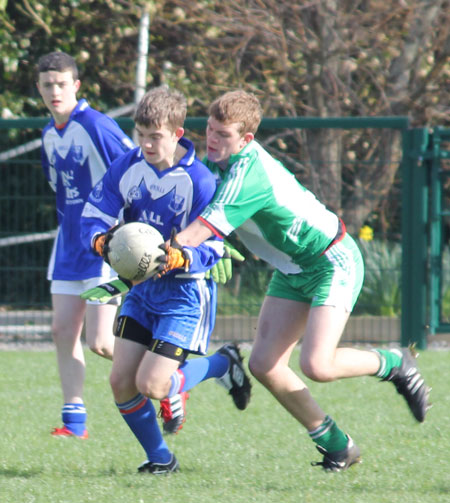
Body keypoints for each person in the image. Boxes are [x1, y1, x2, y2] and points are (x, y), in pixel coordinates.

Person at [157, 89, 431, 472]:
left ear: (247, 140)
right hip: (293, 270)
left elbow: (202, 227)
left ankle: (393, 361)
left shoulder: (247, 173)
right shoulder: (217, 162)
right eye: (210, 130)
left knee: (317, 364)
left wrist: (157, 256)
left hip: (330, 260)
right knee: (265, 365)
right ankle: (339, 446)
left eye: (224, 135)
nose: (213, 139)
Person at [80, 86, 251, 474]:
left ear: (176, 134)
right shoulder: (127, 166)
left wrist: (183, 255)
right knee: (121, 381)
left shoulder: (201, 181)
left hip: (185, 294)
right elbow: (94, 212)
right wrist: (100, 240)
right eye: (141, 135)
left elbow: (216, 243)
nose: (146, 144)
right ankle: (161, 460)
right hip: (141, 290)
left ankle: (221, 364)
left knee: (153, 386)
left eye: (154, 136)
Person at [36, 51, 135, 439]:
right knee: (62, 330)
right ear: (39, 89)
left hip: (103, 246)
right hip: (68, 246)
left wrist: (129, 234)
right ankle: (75, 423)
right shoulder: (48, 133)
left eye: (61, 83)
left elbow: (132, 166)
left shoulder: (96, 125)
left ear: (76, 86)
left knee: (101, 343)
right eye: (47, 85)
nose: (54, 91)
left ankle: (172, 380)